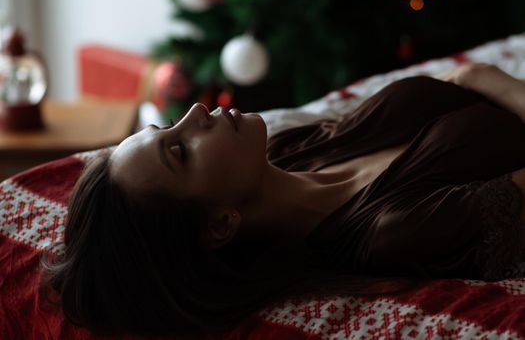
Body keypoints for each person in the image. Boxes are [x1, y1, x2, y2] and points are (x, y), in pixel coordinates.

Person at [39, 62, 525, 337]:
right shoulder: (395, 230)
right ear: (220, 226)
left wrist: (482, 79)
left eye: (167, 127)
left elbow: (462, 81)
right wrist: (487, 80)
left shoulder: (294, 150)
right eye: (180, 151)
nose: (193, 113)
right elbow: (471, 79)